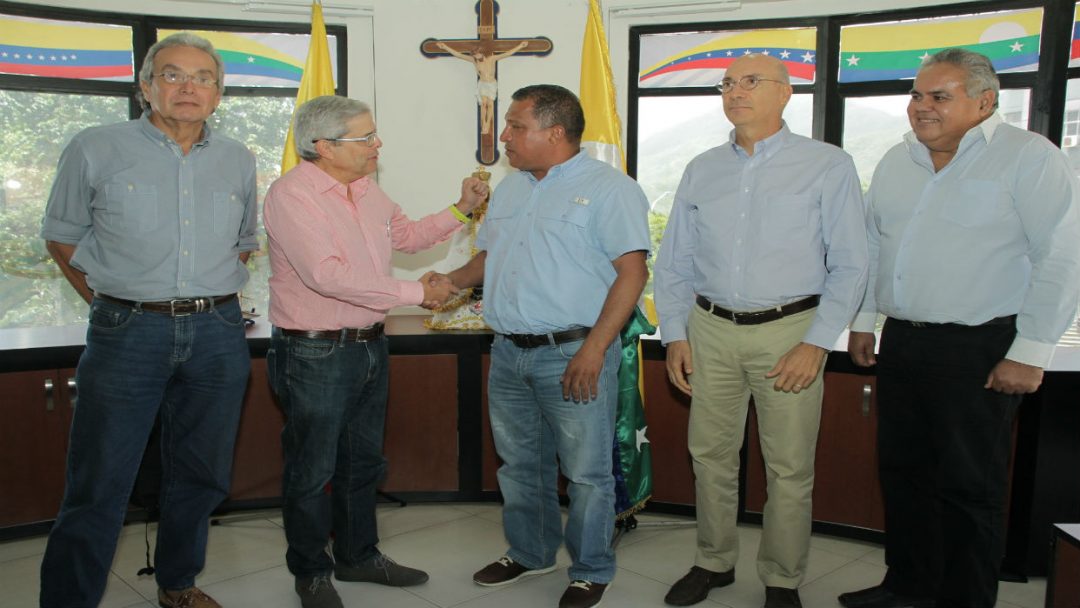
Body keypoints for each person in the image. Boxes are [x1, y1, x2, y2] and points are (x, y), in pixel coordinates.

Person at [839, 48, 1080, 608]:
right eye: (916, 95)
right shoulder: (897, 160)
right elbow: (874, 246)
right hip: (904, 340)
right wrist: (864, 320)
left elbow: (1062, 256)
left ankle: (964, 600)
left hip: (981, 345)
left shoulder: (1029, 157)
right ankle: (907, 586)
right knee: (903, 472)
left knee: (969, 485)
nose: (921, 107)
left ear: (984, 102)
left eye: (939, 96)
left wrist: (1031, 352)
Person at [39, 33, 257, 608]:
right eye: (173, 74)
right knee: (99, 481)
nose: (188, 87)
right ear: (145, 87)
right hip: (127, 334)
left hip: (217, 333)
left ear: (218, 93)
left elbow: (243, 244)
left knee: (202, 474)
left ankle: (177, 584)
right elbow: (61, 236)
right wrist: (111, 304)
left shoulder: (238, 158)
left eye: (203, 78)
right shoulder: (95, 147)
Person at [654, 53, 868, 608]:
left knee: (789, 465)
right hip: (710, 329)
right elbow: (674, 260)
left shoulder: (827, 165)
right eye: (727, 83)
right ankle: (713, 561)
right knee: (710, 455)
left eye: (751, 81)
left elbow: (851, 263)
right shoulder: (702, 168)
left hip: (789, 332)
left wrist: (817, 343)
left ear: (785, 92)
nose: (736, 91)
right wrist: (675, 334)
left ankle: (782, 578)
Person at [263, 94, 489, 608]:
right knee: (312, 470)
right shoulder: (292, 195)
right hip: (314, 353)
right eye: (365, 137)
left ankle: (358, 556)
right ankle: (311, 571)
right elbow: (327, 276)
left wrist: (461, 208)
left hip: (369, 345)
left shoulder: (367, 190)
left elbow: (407, 237)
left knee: (363, 462)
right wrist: (417, 293)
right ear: (324, 146)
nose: (377, 144)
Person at [441, 84, 650, 608]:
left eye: (516, 126)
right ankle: (531, 552)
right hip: (509, 352)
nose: (504, 137)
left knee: (586, 473)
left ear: (555, 133)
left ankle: (591, 568)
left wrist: (594, 350)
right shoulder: (511, 189)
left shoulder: (610, 189)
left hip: (574, 352)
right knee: (519, 465)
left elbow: (632, 273)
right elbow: (488, 258)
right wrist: (447, 283)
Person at [435, 41, 529, 135]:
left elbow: (507, 54)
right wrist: (445, 47)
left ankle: (488, 123)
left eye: (477, 54)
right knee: (483, 104)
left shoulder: (491, 59)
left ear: (481, 52)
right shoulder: (474, 61)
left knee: (490, 104)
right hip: (483, 84)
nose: (476, 56)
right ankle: (483, 124)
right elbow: (459, 55)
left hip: (491, 84)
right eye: (474, 55)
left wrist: (520, 46)